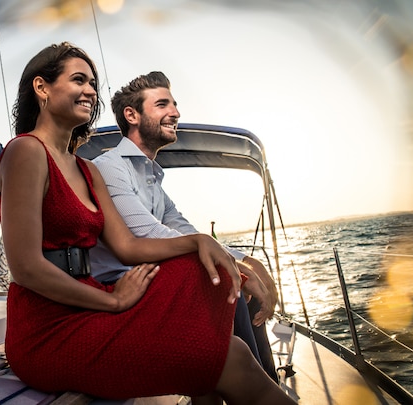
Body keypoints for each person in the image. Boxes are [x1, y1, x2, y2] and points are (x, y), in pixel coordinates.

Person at [0, 41, 296, 404]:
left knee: (204, 273)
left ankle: (210, 368)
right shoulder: (25, 151)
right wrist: (114, 303)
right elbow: (25, 268)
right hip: (50, 327)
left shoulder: (88, 169)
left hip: (93, 303)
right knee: (229, 358)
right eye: (78, 80)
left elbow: (129, 246)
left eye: (93, 83)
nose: (90, 90)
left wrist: (200, 242)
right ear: (42, 87)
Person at [89, 71, 278, 381]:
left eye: (174, 105)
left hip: (155, 281)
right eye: (162, 104)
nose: (175, 112)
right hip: (122, 288)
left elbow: (184, 230)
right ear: (131, 115)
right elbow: (146, 234)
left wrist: (245, 259)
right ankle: (255, 390)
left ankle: (266, 383)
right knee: (227, 282)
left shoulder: (152, 178)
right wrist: (238, 270)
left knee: (242, 283)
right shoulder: (110, 167)